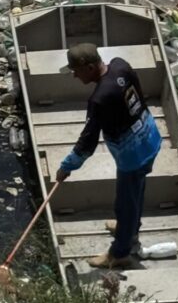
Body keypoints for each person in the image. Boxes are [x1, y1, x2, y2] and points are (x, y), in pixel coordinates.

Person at [55, 43, 161, 269]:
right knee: (137, 192)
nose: (74, 76)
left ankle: (120, 253)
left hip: (133, 156)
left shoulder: (100, 99)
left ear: (91, 67)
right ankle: (129, 228)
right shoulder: (120, 66)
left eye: (76, 71)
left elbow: (87, 143)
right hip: (150, 137)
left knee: (126, 203)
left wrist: (67, 167)